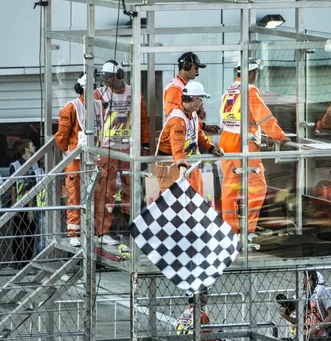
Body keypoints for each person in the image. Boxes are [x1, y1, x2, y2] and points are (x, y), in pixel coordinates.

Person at [219, 63, 288, 239]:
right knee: (258, 187)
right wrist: (280, 137)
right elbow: (264, 117)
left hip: (226, 141)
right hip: (243, 142)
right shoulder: (249, 91)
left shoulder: (230, 90)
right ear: (252, 73)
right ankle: (250, 230)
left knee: (230, 188)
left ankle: (230, 230)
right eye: (256, 72)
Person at [93, 60, 150, 246]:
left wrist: (146, 143)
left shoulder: (133, 92)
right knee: (105, 192)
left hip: (128, 149)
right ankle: (103, 231)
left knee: (132, 189)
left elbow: (142, 119)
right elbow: (91, 121)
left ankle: (132, 226)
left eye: (109, 77)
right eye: (104, 77)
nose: (106, 81)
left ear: (119, 75)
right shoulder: (99, 93)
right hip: (106, 149)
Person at [55, 74, 104, 247]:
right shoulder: (71, 108)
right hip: (75, 159)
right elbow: (61, 136)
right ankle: (74, 233)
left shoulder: (99, 106)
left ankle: (95, 231)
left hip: (94, 156)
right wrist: (69, 152)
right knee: (74, 195)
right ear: (81, 89)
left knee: (96, 194)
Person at [156, 81, 224, 195]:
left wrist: (211, 148)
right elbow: (177, 146)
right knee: (174, 202)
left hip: (184, 162)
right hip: (171, 165)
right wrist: (182, 166)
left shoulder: (191, 114)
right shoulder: (178, 120)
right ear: (195, 99)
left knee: (195, 196)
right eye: (201, 99)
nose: (202, 103)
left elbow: (198, 134)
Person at [163, 51, 220, 134]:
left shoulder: (184, 87)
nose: (197, 72)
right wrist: (203, 126)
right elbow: (175, 118)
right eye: (196, 68)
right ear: (186, 66)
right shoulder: (175, 89)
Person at [278, 270, 331, 340]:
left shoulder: (322, 291)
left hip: (323, 337)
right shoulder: (308, 296)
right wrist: (285, 316)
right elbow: (302, 321)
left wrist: (314, 330)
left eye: (304, 276)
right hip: (308, 337)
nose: (302, 280)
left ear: (309, 276)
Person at [9, 140, 39, 268]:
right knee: (17, 233)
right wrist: (14, 205)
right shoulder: (15, 165)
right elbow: (12, 188)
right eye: (32, 145)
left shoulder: (35, 164)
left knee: (30, 234)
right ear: (26, 149)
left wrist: (31, 209)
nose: (35, 147)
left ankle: (27, 261)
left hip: (30, 203)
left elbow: (34, 187)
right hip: (19, 204)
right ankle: (17, 260)